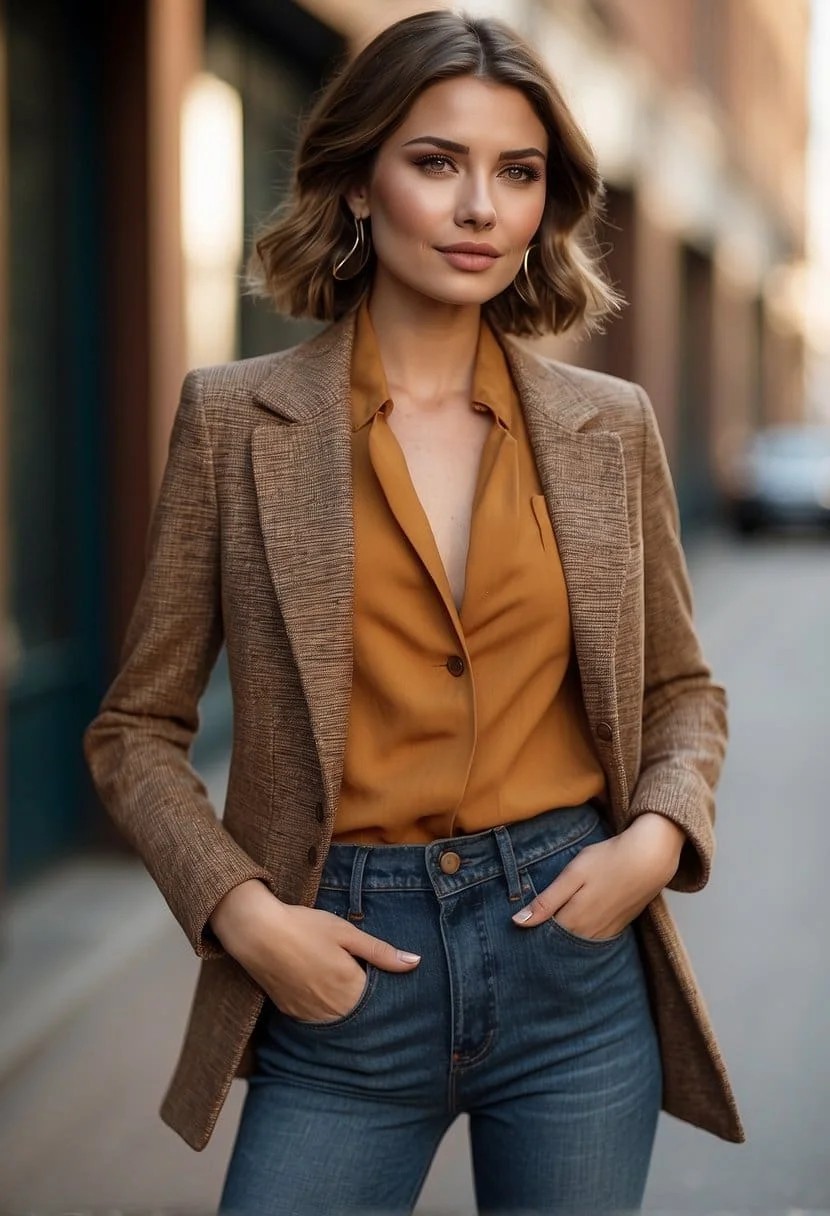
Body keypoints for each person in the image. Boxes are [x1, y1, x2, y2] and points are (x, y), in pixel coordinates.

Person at [84, 10, 744, 1215]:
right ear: (355, 183)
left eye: (517, 172)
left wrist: (651, 841)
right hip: (336, 966)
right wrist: (242, 914)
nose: (479, 207)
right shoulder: (235, 422)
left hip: (574, 961)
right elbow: (134, 729)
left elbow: (679, 691)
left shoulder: (610, 426)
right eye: (436, 162)